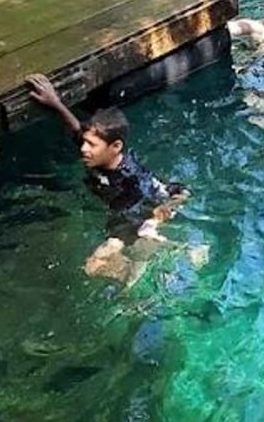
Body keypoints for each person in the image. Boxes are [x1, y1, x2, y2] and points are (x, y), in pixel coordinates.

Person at [25, 73, 189, 284]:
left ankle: (172, 253)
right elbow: (76, 129)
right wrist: (55, 102)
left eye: (91, 145)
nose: (83, 148)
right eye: (85, 142)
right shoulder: (100, 155)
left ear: (115, 147)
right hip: (124, 208)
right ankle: (144, 266)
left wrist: (145, 229)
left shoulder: (129, 180)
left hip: (138, 213)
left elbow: (145, 209)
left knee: (94, 266)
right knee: (98, 266)